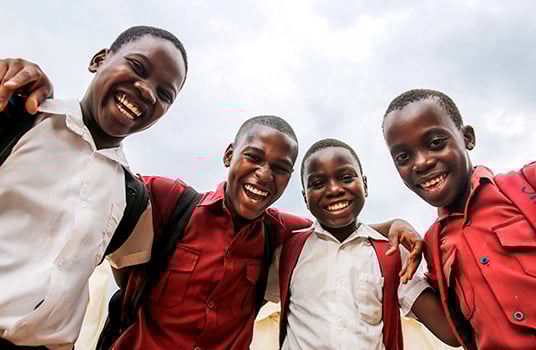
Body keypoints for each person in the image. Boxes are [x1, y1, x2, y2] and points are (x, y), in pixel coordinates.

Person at [1, 62, 423, 349]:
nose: (262, 175)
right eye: (253, 158)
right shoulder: (167, 201)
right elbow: (84, 184)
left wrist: (394, 223)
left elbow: (337, 227)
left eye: (279, 168)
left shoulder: (281, 233)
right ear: (228, 156)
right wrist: (26, 93)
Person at [0, 25, 187, 349]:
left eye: (164, 93)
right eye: (138, 68)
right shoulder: (21, 118)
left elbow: (129, 285)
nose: (147, 91)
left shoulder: (131, 197)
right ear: (99, 60)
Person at [266, 138, 459, 349]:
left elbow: (450, 332)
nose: (333, 190)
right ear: (305, 198)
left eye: (346, 178)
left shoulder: (392, 253)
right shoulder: (286, 253)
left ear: (365, 185)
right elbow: (241, 306)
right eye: (318, 184)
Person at [382, 88, 536, 349]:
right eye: (403, 157)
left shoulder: (527, 186)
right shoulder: (433, 246)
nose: (421, 163)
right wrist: (394, 264)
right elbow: (454, 334)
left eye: (435, 143)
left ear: (467, 138)